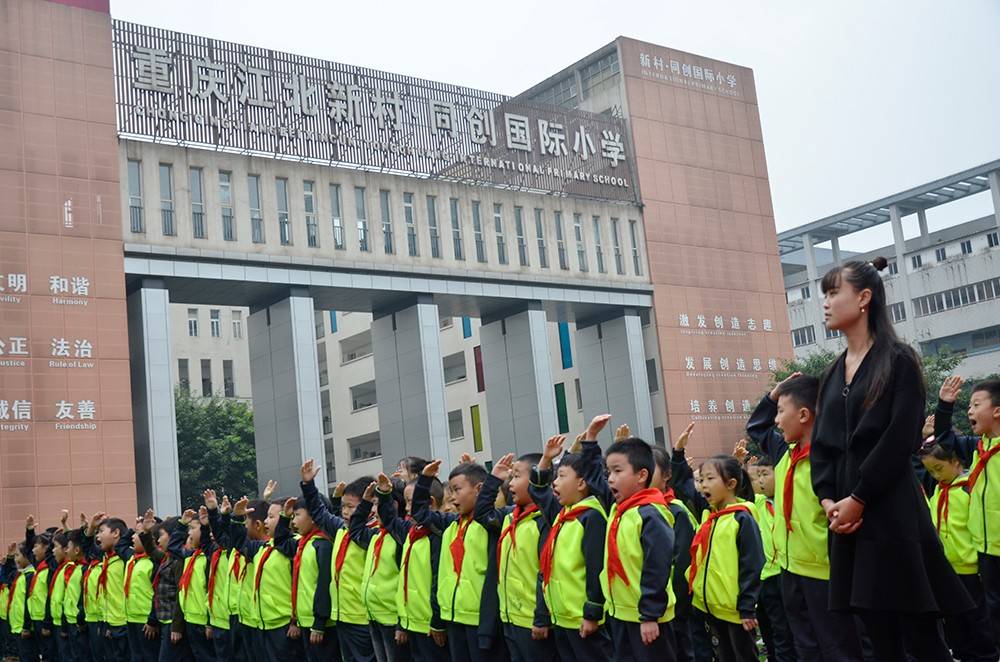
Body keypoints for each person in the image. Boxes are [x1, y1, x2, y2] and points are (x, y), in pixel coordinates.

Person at [811, 257, 974, 660]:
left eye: (834, 293)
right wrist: (829, 499)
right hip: (849, 521)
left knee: (919, 631)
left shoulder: (897, 360)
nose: (826, 304)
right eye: (825, 295)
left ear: (864, 298)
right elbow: (824, 445)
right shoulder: (833, 372)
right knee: (875, 633)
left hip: (890, 511)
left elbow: (900, 436)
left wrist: (860, 497)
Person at [746, 372, 864, 661]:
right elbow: (757, 427)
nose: (776, 419)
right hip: (791, 568)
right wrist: (775, 394)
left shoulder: (835, 458)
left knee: (837, 646)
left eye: (781, 411)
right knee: (805, 646)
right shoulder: (785, 452)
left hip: (825, 572)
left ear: (803, 414)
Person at [581, 414, 677, 662]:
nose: (610, 478)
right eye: (608, 471)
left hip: (647, 618)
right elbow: (593, 477)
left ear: (641, 475)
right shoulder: (620, 508)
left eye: (617, 471)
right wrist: (590, 439)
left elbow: (656, 567)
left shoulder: (650, 513)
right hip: (621, 613)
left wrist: (650, 615)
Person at [412, 458, 504, 662]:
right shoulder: (450, 524)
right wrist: (425, 480)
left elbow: (486, 509)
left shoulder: (491, 524)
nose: (452, 498)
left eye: (457, 490)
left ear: (479, 489)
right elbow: (419, 512)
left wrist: (493, 481)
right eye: (450, 492)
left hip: (481, 620)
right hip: (453, 617)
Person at [529, 434, 612, 662]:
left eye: (561, 476)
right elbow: (538, 490)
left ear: (582, 483)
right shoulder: (563, 514)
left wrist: (592, 614)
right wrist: (546, 458)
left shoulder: (591, 517)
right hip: (562, 617)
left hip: (582, 619)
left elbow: (596, 570)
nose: (554, 482)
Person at [934, 375, 1000, 644]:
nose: (970, 411)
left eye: (975, 405)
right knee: (993, 612)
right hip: (986, 550)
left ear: (997, 410)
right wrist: (945, 405)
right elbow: (945, 439)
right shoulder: (979, 448)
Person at [919, 440, 999, 661]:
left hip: (971, 569)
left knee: (978, 620)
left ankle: (986, 656)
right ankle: (961, 654)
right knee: (954, 618)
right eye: (930, 471)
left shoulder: (969, 488)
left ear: (955, 462)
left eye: (938, 468)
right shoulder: (937, 491)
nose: (935, 475)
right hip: (947, 569)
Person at [475, 452, 553, 662]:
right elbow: (481, 513)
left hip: (533, 620)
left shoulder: (544, 520)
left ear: (537, 479)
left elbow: (545, 572)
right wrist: (493, 480)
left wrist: (541, 617)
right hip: (509, 618)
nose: (510, 483)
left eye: (517, 476)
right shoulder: (510, 516)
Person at [688, 454, 765, 662]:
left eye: (710, 478)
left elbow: (753, 565)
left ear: (731, 483)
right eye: (701, 479)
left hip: (737, 611)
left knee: (744, 656)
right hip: (714, 608)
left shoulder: (742, 519)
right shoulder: (711, 518)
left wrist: (747, 606)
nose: (703, 484)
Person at [300, 462, 377, 662]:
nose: (344, 511)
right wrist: (309, 485)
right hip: (342, 616)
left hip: (362, 617)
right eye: (343, 506)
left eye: (351, 507)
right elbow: (319, 512)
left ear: (368, 505)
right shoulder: (341, 529)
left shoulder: (370, 534)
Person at [733, 441, 796, 662]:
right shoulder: (756, 504)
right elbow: (741, 492)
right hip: (762, 578)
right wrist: (737, 464)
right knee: (769, 630)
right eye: (756, 476)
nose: (759, 480)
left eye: (764, 474)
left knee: (785, 631)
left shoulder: (787, 500)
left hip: (784, 574)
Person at [377, 472, 449, 662]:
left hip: (431, 627)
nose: (407, 509)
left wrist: (437, 622)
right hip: (412, 623)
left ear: (431, 503)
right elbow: (390, 519)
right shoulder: (411, 532)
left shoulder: (438, 535)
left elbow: (438, 582)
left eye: (411, 502)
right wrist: (384, 495)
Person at [271, 494, 338, 662]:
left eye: (297, 515)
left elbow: (324, 585)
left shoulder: (323, 545)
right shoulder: (303, 543)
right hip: (305, 622)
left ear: (314, 516)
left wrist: (319, 623)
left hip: (321, 626)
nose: (293, 522)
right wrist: (284, 517)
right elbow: (280, 542)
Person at [228, 495, 295, 662]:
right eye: (266, 516)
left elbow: (300, 585)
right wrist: (236, 518)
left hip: (284, 624)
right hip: (263, 623)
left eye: (272, 517)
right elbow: (239, 541)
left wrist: (295, 621)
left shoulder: (293, 546)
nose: (266, 521)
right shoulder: (262, 548)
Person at [350, 479, 407, 662]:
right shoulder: (376, 535)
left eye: (376, 504)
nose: (373, 511)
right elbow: (355, 530)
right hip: (374, 616)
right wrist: (365, 503)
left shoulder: (400, 538)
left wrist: (401, 624)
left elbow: (405, 582)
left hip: (393, 619)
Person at [84, 514, 133, 658]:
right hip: (106, 622)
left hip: (123, 623)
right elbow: (87, 548)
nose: (98, 536)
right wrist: (92, 527)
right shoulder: (105, 557)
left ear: (116, 533)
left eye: (101, 531)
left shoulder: (126, 556)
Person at [176, 507, 217, 660]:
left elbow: (210, 590)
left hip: (204, 621)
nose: (189, 534)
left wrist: (208, 622)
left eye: (192, 529)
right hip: (190, 618)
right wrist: (181, 524)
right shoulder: (190, 556)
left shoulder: (208, 557)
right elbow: (174, 546)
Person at [123, 510, 157, 661]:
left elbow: (159, 594)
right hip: (131, 618)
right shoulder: (132, 559)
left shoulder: (153, 562)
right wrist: (135, 526)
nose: (132, 537)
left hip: (146, 622)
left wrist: (152, 620)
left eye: (136, 533)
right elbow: (121, 544)